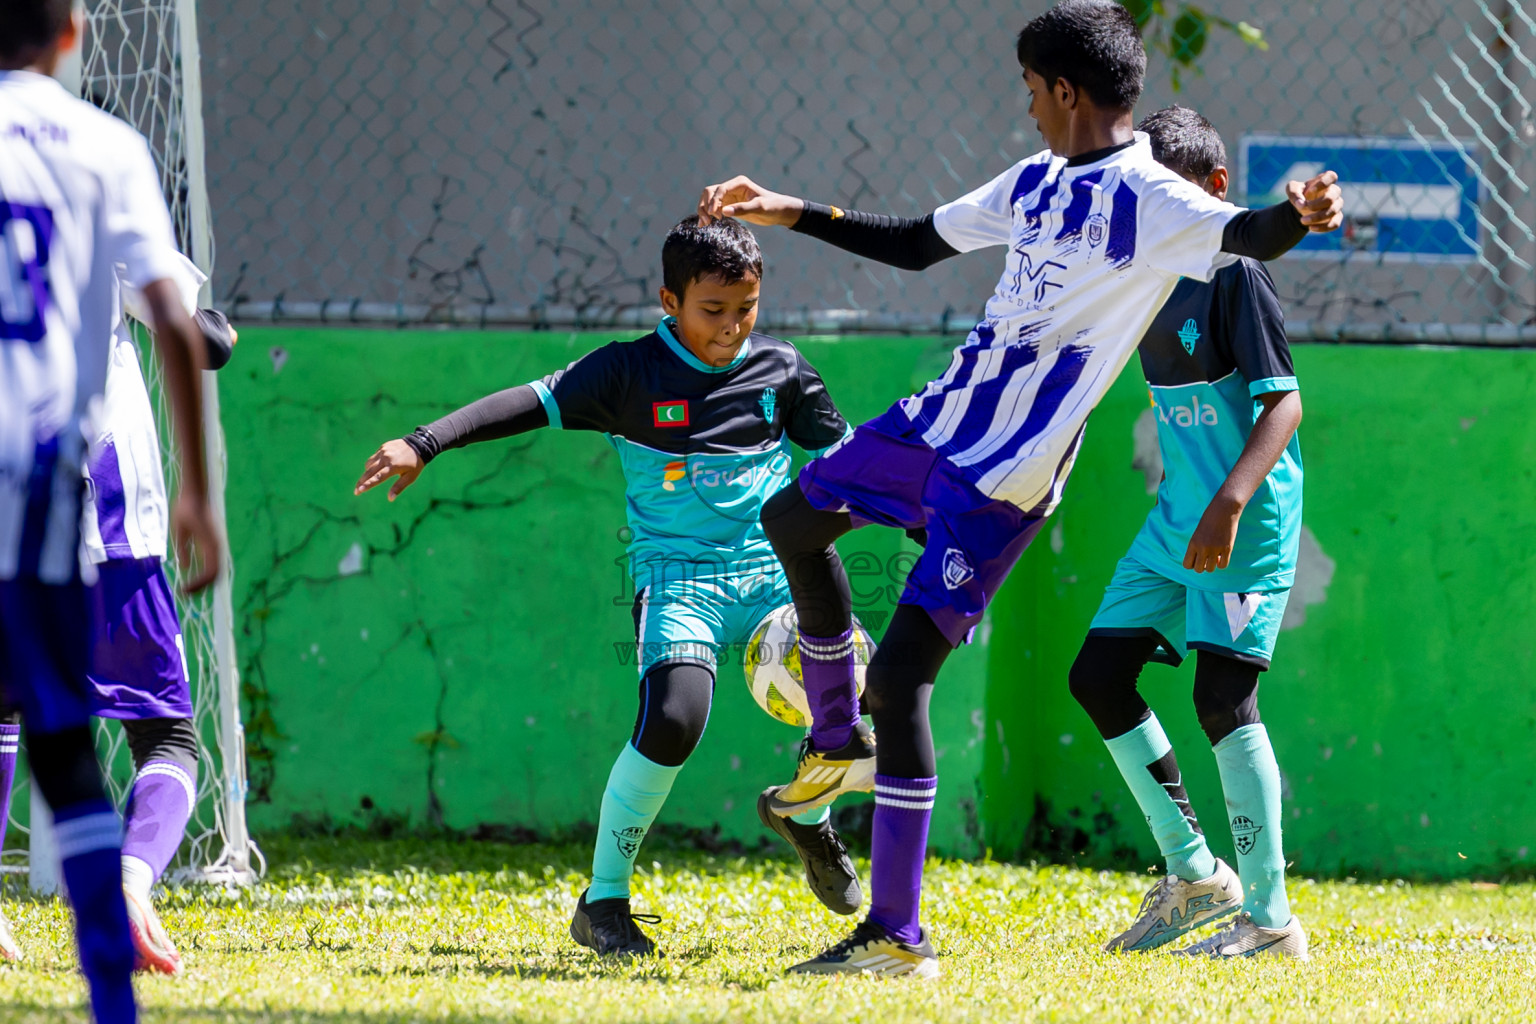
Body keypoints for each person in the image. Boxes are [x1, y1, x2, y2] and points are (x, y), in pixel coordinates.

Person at [696, 0, 1342, 978]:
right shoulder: (1037, 179)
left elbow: (1249, 232)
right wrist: (790, 209)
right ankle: (840, 740)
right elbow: (918, 240)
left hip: (1004, 477)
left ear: (1067, 91)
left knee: (905, 674)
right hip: (941, 421)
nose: (1029, 106)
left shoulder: (1155, 199)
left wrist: (1298, 212)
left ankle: (895, 933)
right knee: (791, 516)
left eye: (1033, 90)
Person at [355, 216, 861, 958]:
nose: (731, 327)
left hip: (773, 575)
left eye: (746, 307)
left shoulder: (783, 370)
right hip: (678, 579)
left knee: (853, 686)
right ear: (670, 300)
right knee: (674, 719)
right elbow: (526, 401)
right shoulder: (626, 373)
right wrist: (424, 442)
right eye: (712, 310)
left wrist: (924, 515)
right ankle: (604, 901)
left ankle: (807, 810)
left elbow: (846, 466)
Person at [0, 0, 220, 1019]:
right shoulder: (101, 147)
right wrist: (199, 494)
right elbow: (182, 323)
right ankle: (132, 883)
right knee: (166, 736)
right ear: (74, 33)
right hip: (105, 497)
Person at [1067, 105, 1306, 959]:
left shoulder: (1237, 271)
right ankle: (1197, 874)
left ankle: (1273, 924)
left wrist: (1231, 502)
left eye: (1165, 196)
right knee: (1098, 674)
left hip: (1243, 521)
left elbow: (1284, 403)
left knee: (1221, 700)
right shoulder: (1141, 277)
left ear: (1211, 193)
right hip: (1177, 520)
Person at [0, 255, 236, 974]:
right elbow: (194, 335)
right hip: (105, 522)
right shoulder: (98, 173)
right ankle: (130, 883)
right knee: (166, 734)